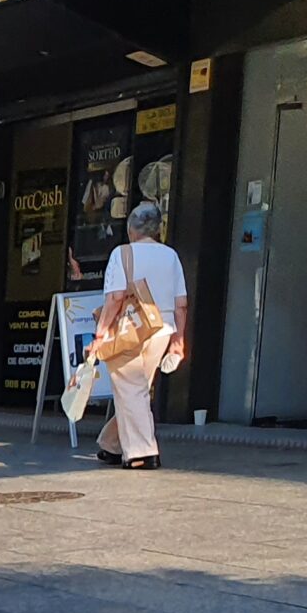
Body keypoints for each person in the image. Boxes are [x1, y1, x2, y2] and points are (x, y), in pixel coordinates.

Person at [97, 201, 189, 470]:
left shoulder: (122, 253)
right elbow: (181, 303)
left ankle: (142, 452)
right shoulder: (171, 256)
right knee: (135, 389)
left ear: (130, 229)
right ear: (157, 229)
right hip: (162, 329)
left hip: (129, 330)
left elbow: (114, 299)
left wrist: (100, 334)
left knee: (131, 389)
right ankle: (111, 444)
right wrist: (179, 341)